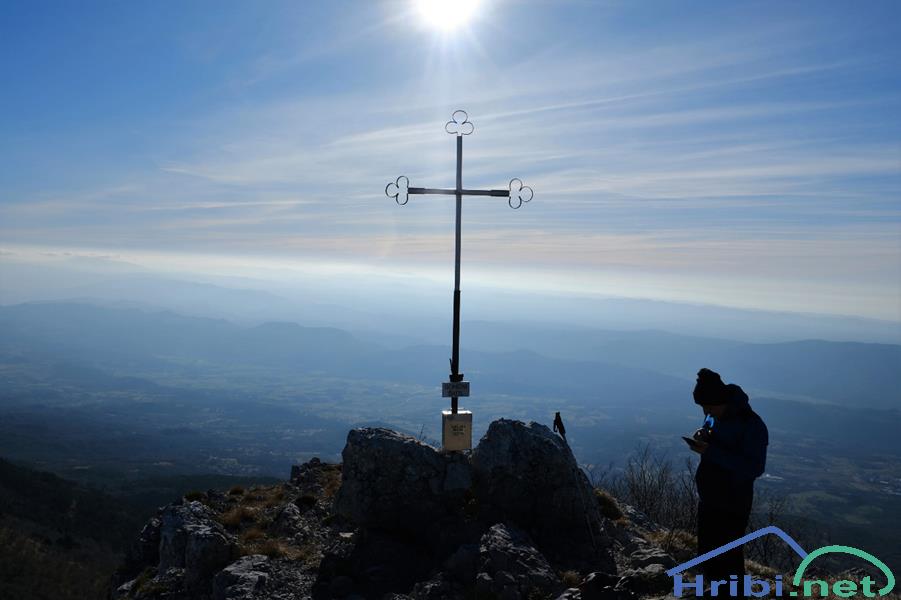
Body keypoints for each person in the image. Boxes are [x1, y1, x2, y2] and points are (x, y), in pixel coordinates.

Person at [689, 368, 768, 595]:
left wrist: (710, 452)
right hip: (709, 497)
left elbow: (754, 467)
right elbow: (709, 428)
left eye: (708, 407)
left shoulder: (752, 425)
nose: (706, 412)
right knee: (708, 553)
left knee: (729, 557)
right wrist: (703, 434)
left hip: (733, 502)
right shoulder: (715, 415)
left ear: (721, 401)